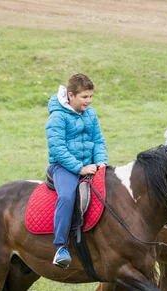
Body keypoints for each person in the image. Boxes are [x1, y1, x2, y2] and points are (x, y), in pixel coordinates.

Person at [45, 73, 108, 268]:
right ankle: (61, 247)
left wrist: (101, 162)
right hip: (63, 168)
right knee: (67, 197)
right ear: (71, 95)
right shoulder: (57, 117)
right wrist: (79, 168)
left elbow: (98, 140)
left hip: (90, 165)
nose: (88, 101)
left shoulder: (91, 114)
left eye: (90, 96)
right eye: (84, 97)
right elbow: (58, 149)